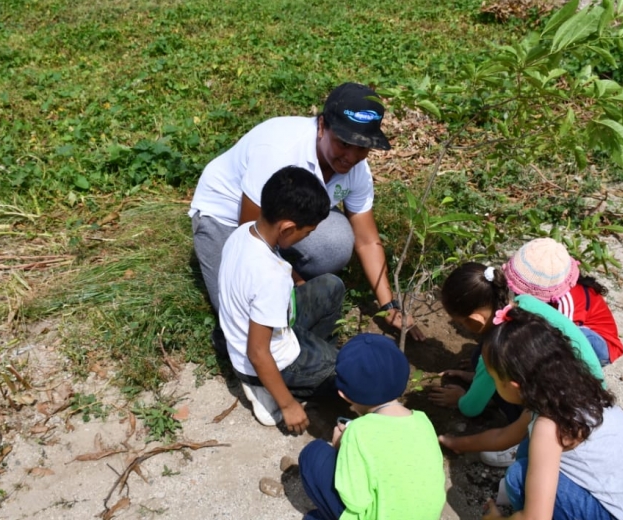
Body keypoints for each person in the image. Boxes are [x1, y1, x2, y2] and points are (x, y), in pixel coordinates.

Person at [190, 82, 424, 344]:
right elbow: (251, 234)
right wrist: (295, 280)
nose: (351, 156)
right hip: (229, 218)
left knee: (335, 242)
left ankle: (289, 286)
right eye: (343, 143)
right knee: (243, 317)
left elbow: (367, 240)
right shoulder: (278, 151)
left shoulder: (357, 169)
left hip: (284, 215)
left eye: (361, 147)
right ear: (322, 126)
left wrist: (389, 305)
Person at [478, 308, 623, 520]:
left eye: (494, 378)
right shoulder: (573, 395)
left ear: (515, 386)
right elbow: (505, 436)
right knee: (527, 450)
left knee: (518, 477)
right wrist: (454, 442)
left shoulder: (549, 425)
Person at [432, 262, 605, 467]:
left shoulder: (500, 348)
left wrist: (462, 398)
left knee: (484, 359)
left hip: (566, 411)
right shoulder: (526, 304)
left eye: (462, 323)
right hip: (593, 387)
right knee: (478, 356)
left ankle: (526, 439)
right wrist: (476, 375)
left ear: (475, 320)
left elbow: (472, 408)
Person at [218, 166, 344, 433]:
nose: (307, 237)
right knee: (346, 374)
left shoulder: (244, 232)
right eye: (307, 232)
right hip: (266, 359)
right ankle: (272, 390)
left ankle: (313, 365)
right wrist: (288, 406)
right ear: (287, 228)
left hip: (254, 335)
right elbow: (258, 351)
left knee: (331, 286)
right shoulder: (270, 276)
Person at [298, 333, 446, 520]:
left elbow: (355, 500)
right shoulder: (423, 421)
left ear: (344, 395)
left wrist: (341, 448)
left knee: (313, 454)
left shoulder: (358, 432)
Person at [503, 238, 623, 366]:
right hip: (574, 330)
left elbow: (567, 334)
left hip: (599, 345)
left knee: (565, 337)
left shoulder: (568, 301)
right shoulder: (560, 286)